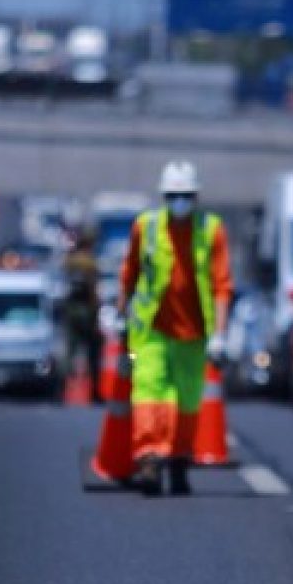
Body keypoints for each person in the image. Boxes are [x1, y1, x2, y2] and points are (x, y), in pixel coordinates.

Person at [117, 160, 233, 496]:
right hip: (150, 331)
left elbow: (222, 284)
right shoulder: (146, 226)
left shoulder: (211, 230)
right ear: (163, 196)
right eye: (172, 195)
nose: (179, 201)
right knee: (148, 393)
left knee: (187, 401)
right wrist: (120, 316)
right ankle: (150, 458)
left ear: (195, 197)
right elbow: (130, 274)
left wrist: (221, 334)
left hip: (194, 334)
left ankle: (180, 460)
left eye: (185, 195)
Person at [62, 228, 102, 403]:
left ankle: (61, 390)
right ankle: (94, 392)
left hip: (71, 312)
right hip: (87, 312)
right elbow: (93, 289)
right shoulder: (89, 262)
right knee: (93, 351)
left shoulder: (69, 261)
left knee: (70, 351)